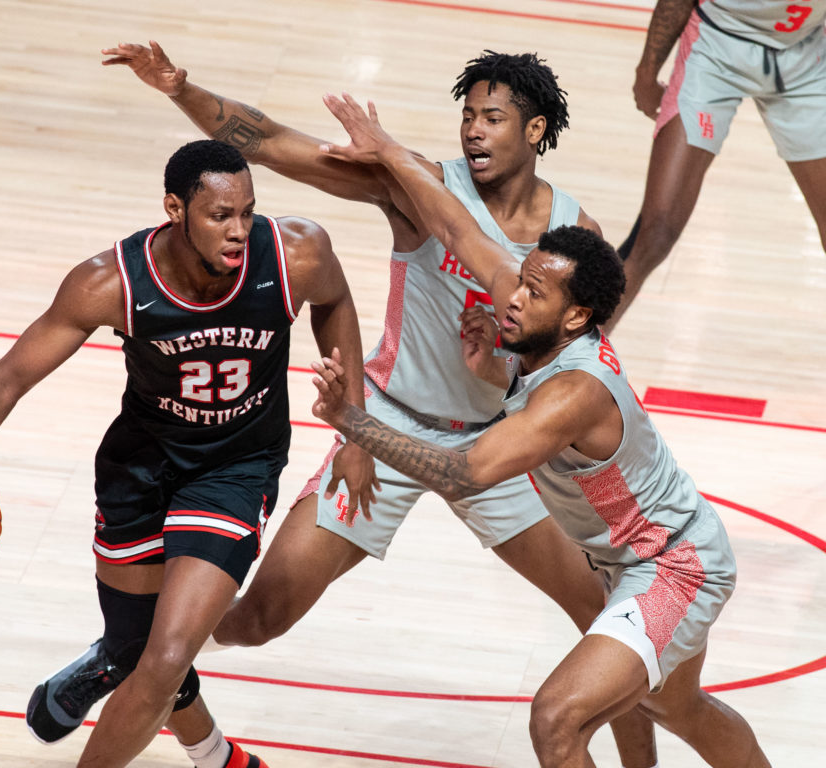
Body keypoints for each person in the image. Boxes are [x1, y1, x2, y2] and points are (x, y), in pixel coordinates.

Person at [100, 41, 659, 767]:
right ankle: (144, 658)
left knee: (607, 616)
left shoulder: (572, 239)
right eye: (467, 115)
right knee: (262, 619)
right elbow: (268, 142)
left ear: (533, 131)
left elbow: (575, 360)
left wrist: (500, 360)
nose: (473, 130)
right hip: (386, 423)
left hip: (494, 441)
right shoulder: (417, 184)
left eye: (492, 117)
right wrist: (179, 87)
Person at [0, 139, 370, 768]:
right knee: (139, 653)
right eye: (220, 216)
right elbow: (10, 377)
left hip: (235, 470)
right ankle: (204, 744)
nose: (239, 229)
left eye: (247, 210)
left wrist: (354, 425)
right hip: (140, 467)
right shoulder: (112, 282)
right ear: (175, 209)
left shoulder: (295, 252)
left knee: (165, 659)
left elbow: (337, 299)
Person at [309, 93, 772, 767]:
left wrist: (351, 421)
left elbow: (462, 471)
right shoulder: (541, 315)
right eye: (519, 284)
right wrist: (388, 151)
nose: (512, 299)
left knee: (556, 718)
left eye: (533, 294)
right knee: (678, 707)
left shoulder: (573, 394)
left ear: (578, 316)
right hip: (637, 555)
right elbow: (458, 227)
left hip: (673, 566)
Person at [607, 0, 826, 330]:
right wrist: (647, 72)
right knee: (656, 231)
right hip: (716, 48)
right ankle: (568, 363)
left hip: (805, 54)